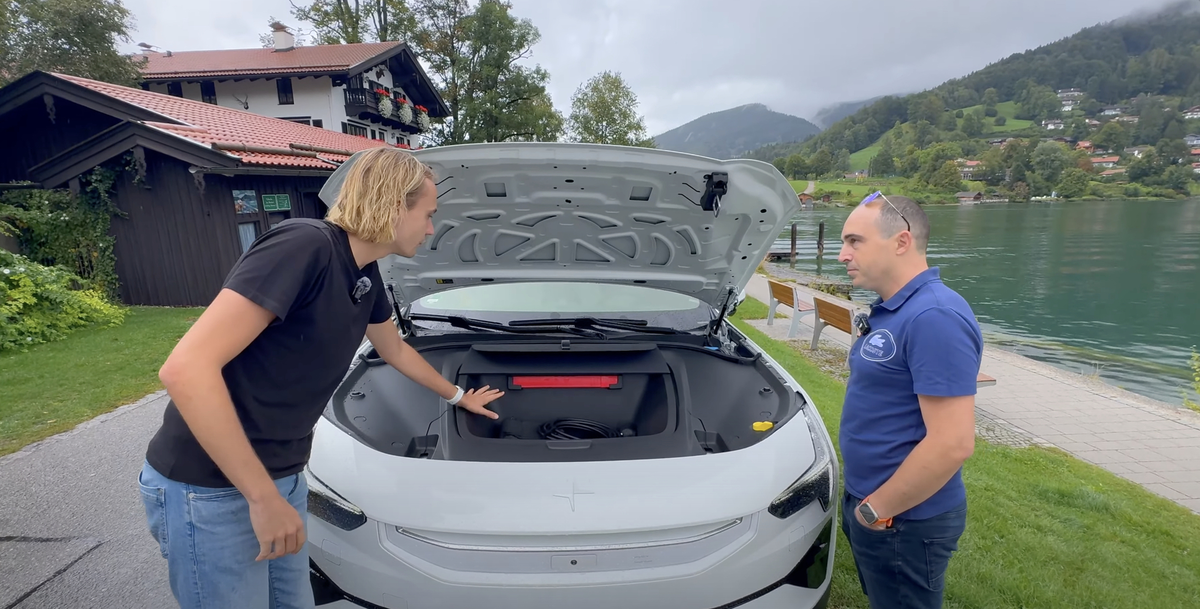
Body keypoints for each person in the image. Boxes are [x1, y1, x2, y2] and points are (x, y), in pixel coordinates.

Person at [137, 147, 504, 608]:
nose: (431, 229)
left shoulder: (365, 272)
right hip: (212, 487)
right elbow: (185, 369)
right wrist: (262, 499)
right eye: (428, 215)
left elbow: (394, 349)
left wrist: (458, 396)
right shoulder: (304, 246)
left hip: (282, 478)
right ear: (394, 207)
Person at [836, 191, 981, 609]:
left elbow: (952, 443)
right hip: (876, 506)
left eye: (855, 241)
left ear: (901, 241)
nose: (843, 255)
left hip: (903, 517)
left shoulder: (934, 316)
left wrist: (875, 510)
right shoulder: (895, 309)